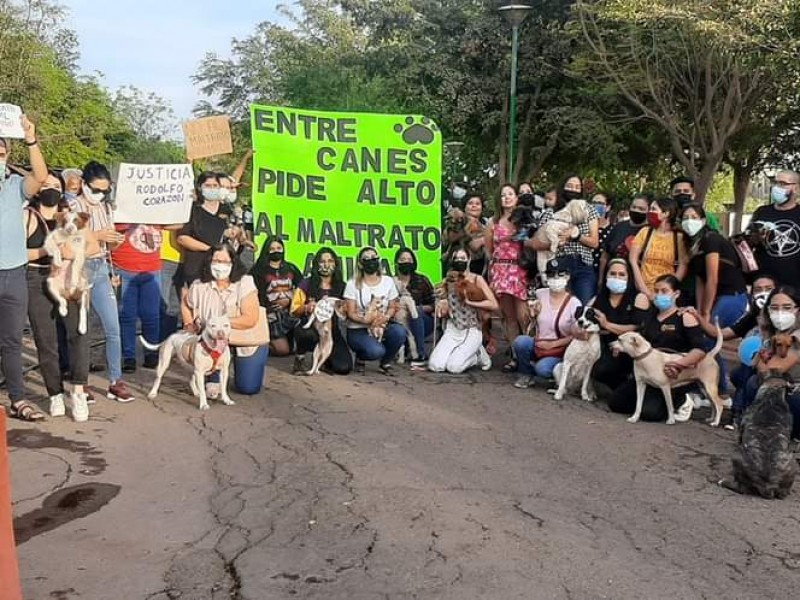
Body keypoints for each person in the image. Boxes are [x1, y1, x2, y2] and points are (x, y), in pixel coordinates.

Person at [25, 172, 92, 421]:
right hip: (38, 278)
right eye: (46, 185)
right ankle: (54, 393)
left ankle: (78, 391)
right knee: (46, 340)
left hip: (71, 277)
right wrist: (48, 249)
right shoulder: (27, 216)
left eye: (56, 185)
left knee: (79, 334)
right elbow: (18, 253)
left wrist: (75, 252)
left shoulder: (71, 214)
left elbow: (93, 245)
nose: (51, 189)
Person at [71, 160, 134, 402]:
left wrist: (114, 242)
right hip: (79, 268)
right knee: (81, 329)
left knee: (113, 327)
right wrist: (98, 236)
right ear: (85, 184)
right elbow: (71, 240)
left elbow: (109, 242)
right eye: (95, 189)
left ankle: (116, 381)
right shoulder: (73, 204)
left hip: (101, 267)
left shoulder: (106, 208)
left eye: (104, 190)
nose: (99, 194)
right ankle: (81, 383)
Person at [607, 275, 708, 422]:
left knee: (650, 414)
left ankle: (683, 401)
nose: (659, 295)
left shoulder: (684, 316)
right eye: (656, 291)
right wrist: (622, 347)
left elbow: (700, 349)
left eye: (664, 291)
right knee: (616, 403)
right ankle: (649, 402)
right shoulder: (650, 316)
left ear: (676, 294)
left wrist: (679, 364)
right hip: (648, 370)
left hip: (672, 373)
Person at [0, 116, 48, 421]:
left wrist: (30, 138)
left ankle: (18, 399)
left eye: (1, 152)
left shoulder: (16, 185)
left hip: (14, 273)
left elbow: (40, 177)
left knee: (13, 341)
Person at [182, 243, 267, 395]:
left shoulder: (245, 282)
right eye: (216, 261)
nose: (220, 266)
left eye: (225, 262)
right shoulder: (199, 284)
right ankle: (213, 375)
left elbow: (250, 319)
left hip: (245, 338)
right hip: (213, 340)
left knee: (248, 388)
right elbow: (186, 302)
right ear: (208, 262)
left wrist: (220, 322)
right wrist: (189, 324)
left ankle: (234, 365)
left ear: (233, 263)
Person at [738, 286, 800, 440]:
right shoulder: (773, 335)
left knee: (758, 382)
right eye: (774, 308)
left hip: (795, 392)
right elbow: (756, 365)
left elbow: (771, 370)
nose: (780, 313)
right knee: (748, 378)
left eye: (787, 307)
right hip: (784, 387)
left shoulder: (796, 337)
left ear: (798, 309)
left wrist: (761, 357)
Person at [528, 175, 599, 304]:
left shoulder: (589, 210)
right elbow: (536, 243)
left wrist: (575, 236)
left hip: (583, 265)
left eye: (577, 187)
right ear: (562, 188)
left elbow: (594, 242)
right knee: (558, 308)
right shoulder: (550, 212)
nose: (574, 190)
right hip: (558, 265)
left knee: (584, 307)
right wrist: (559, 240)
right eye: (570, 186)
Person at [512, 258, 582, 388]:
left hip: (560, 349)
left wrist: (553, 344)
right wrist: (531, 314)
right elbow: (526, 324)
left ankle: (559, 372)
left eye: (560, 274)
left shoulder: (574, 303)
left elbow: (577, 335)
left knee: (542, 369)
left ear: (567, 276)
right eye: (551, 274)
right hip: (539, 343)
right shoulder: (539, 294)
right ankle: (526, 374)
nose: (555, 278)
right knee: (520, 342)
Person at [589, 259, 651, 400]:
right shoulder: (599, 298)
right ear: (606, 276)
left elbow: (636, 328)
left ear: (629, 277)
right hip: (605, 346)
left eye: (622, 275)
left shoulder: (638, 298)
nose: (617, 278)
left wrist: (607, 325)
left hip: (630, 348)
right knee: (598, 369)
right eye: (613, 274)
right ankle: (622, 391)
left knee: (607, 367)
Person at [428, 246, 497, 373]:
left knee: (454, 367)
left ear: (469, 260)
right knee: (435, 366)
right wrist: (442, 302)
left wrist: (473, 302)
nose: (460, 261)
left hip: (471, 328)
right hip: (453, 328)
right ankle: (461, 353)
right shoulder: (449, 280)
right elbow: (441, 297)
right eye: (457, 258)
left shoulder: (477, 279)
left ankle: (478, 355)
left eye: (463, 258)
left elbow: (493, 304)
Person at [485, 184, 529, 369]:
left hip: (519, 270)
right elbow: (489, 250)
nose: (507, 197)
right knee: (508, 317)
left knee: (523, 315)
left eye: (510, 194)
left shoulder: (524, 220)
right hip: (501, 271)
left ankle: (529, 353)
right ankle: (515, 356)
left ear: (517, 197)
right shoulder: (493, 223)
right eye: (503, 195)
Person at [343, 246, 407, 374]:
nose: (371, 261)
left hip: (382, 325)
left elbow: (392, 306)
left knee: (399, 332)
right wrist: (366, 320)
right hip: (358, 329)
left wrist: (386, 317)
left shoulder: (388, 281)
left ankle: (385, 363)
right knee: (376, 351)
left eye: (374, 257)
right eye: (366, 258)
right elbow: (350, 313)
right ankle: (361, 357)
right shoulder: (352, 284)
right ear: (360, 263)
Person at [291, 247, 352, 375]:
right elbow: (294, 309)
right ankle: (299, 359)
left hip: (331, 331)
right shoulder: (306, 283)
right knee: (305, 334)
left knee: (344, 367)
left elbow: (346, 316)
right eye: (322, 261)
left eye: (330, 261)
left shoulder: (343, 286)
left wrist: (343, 308)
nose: (326, 264)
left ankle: (324, 361)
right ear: (316, 264)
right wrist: (306, 308)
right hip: (311, 327)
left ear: (335, 264)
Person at [250, 237, 303, 356]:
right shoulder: (258, 270)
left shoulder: (292, 268)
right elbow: (253, 294)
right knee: (282, 350)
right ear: (267, 250)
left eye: (279, 248)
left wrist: (290, 301)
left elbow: (302, 290)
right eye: (272, 248)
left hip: (290, 313)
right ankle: (257, 345)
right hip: (269, 315)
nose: (276, 251)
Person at [628, 196, 688, 299]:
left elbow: (683, 265)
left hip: (666, 294)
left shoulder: (678, 237)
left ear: (666, 213)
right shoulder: (645, 232)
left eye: (654, 209)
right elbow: (633, 259)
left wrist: (670, 289)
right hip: (643, 291)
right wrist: (644, 290)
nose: (650, 212)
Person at [177, 172, 229, 286]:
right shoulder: (192, 210)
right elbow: (182, 238)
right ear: (200, 187)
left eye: (215, 185)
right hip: (197, 269)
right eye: (208, 186)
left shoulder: (226, 210)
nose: (212, 189)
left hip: (222, 269)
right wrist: (210, 250)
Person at [751, 170, 800, 286]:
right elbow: (748, 244)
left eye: (783, 184)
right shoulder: (762, 212)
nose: (777, 187)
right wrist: (757, 237)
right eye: (776, 183)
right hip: (765, 283)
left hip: (795, 285)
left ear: (796, 188)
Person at [394, 247, 435, 367]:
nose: (406, 262)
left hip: (421, 321)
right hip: (400, 321)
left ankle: (420, 354)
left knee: (415, 313)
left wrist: (419, 309)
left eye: (409, 259)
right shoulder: (391, 282)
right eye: (403, 259)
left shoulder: (422, 280)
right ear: (397, 262)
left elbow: (434, 304)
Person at [598, 193, 651, 280]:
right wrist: (600, 279)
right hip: (612, 277)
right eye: (634, 207)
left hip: (636, 282)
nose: (636, 210)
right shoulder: (618, 227)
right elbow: (605, 256)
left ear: (648, 211)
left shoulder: (649, 231)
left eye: (641, 209)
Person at [445, 193, 489, 275]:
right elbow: (449, 238)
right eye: (470, 203)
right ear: (464, 207)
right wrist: (466, 230)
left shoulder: (486, 224)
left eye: (477, 204)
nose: (474, 206)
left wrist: (482, 239)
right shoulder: (457, 220)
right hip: (459, 265)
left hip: (481, 266)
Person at [591, 192, 613, 273]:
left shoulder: (612, 230)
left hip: (603, 273)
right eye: (593, 203)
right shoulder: (583, 227)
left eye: (600, 203)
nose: (595, 205)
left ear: (607, 207)